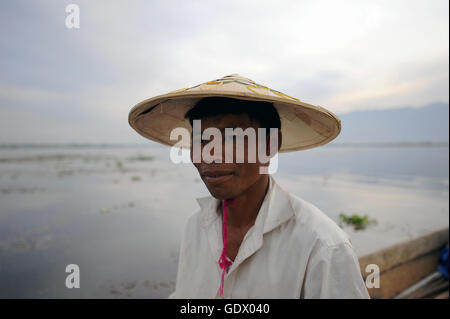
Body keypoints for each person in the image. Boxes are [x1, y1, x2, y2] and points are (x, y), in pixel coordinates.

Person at [128, 74, 370, 298]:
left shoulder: (323, 246)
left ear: (270, 145)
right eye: (201, 139)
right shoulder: (195, 228)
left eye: (232, 137)